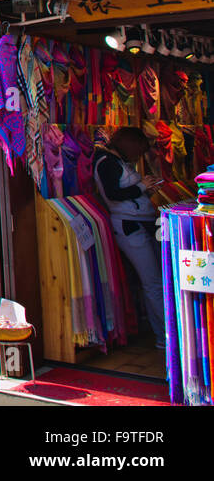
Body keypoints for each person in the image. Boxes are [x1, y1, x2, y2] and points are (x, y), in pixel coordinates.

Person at [92, 126, 166, 348]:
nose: (139, 156)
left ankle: (163, 332)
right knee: (152, 281)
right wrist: (141, 187)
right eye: (139, 150)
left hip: (136, 224)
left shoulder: (114, 161)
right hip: (128, 227)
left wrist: (143, 189)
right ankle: (165, 335)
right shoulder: (107, 163)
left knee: (154, 281)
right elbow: (113, 194)